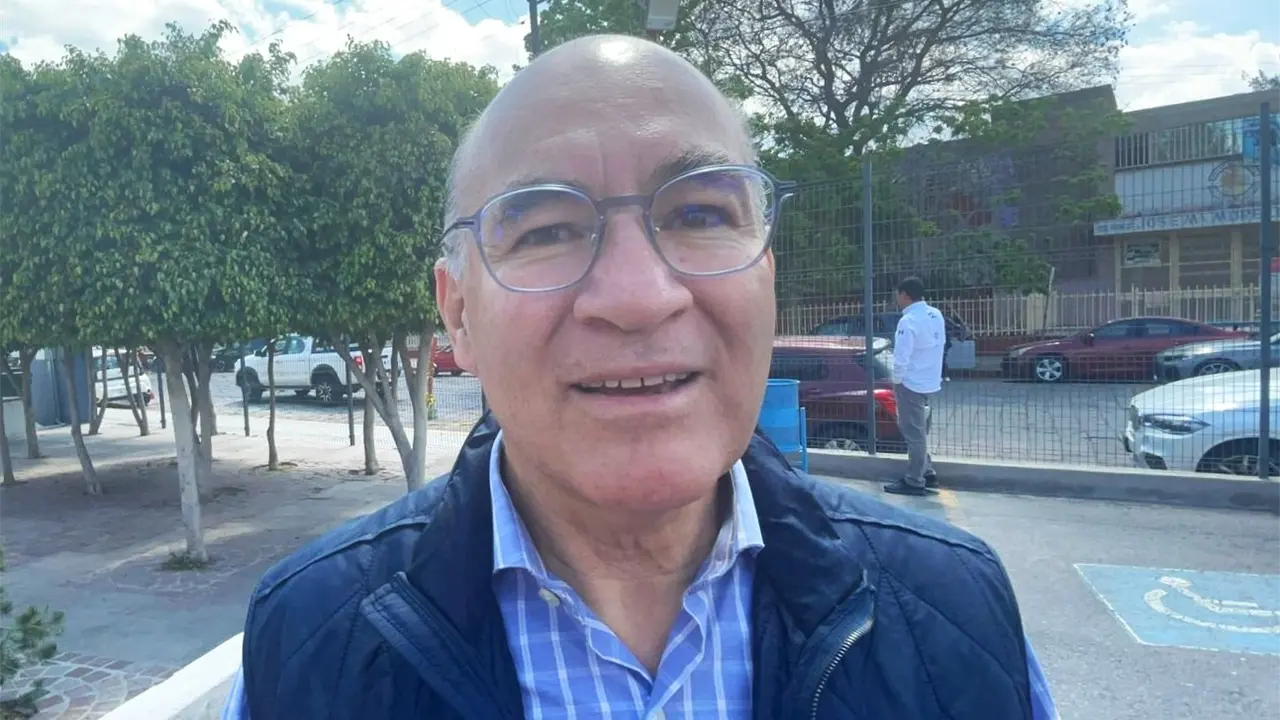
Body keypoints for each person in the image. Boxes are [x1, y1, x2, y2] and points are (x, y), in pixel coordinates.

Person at [223, 35, 1059, 720]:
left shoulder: (958, 618)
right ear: (459, 314)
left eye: (699, 214)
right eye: (547, 231)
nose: (637, 297)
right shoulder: (307, 648)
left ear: (767, 272)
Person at [885, 276, 946, 496]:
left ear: (904, 294)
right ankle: (927, 472)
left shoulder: (908, 321)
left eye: (897, 295)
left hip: (911, 384)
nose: (897, 299)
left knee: (913, 433)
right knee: (920, 431)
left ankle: (914, 480)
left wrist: (897, 380)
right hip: (930, 382)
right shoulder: (935, 315)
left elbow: (902, 356)